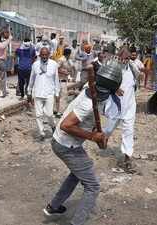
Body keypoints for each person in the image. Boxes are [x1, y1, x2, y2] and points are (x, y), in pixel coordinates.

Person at [43, 57, 123, 225]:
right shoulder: (88, 103)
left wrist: (114, 90)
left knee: (79, 171)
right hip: (65, 144)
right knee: (93, 187)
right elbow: (66, 125)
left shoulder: (93, 88)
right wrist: (92, 137)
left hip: (66, 142)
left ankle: (54, 206)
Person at [103, 48, 140, 170]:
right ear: (119, 57)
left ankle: (127, 155)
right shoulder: (113, 67)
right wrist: (114, 89)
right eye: (123, 58)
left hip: (129, 106)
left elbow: (136, 82)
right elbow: (104, 82)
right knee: (108, 129)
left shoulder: (133, 68)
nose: (125, 60)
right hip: (116, 106)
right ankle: (103, 139)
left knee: (128, 131)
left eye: (127, 58)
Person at [27, 47, 60, 141]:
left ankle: (53, 126)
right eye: (42, 55)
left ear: (49, 55)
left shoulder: (53, 64)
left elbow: (56, 79)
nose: (44, 56)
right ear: (40, 55)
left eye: (46, 54)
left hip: (49, 93)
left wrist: (57, 93)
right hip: (37, 93)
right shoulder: (35, 65)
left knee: (49, 114)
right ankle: (42, 132)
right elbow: (31, 79)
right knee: (38, 114)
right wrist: (29, 91)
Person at [55, 48, 76, 118]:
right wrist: (63, 72)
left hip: (64, 80)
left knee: (60, 96)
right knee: (63, 97)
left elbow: (73, 67)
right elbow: (56, 68)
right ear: (68, 54)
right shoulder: (61, 60)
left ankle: (57, 110)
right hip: (59, 80)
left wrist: (71, 74)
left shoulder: (68, 60)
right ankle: (59, 112)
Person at [15, 37, 36, 102]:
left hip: (22, 68)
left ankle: (24, 95)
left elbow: (15, 56)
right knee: (27, 83)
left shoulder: (20, 49)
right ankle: (25, 94)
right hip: (26, 69)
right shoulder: (31, 49)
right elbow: (34, 58)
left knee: (23, 83)